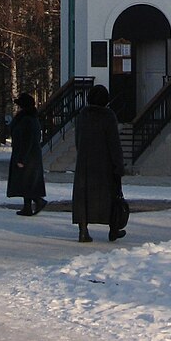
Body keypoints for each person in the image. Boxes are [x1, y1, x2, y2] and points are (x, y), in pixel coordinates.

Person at [72, 84, 126, 243]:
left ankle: (83, 230)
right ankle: (113, 229)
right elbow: (114, 143)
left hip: (84, 163)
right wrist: (118, 165)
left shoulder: (82, 115)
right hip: (104, 164)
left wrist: (82, 154)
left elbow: (77, 139)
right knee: (111, 196)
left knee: (83, 198)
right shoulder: (108, 116)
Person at [6, 92, 47, 217]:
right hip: (29, 155)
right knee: (26, 182)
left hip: (28, 156)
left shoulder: (27, 120)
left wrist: (22, 158)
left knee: (27, 181)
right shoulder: (28, 118)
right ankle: (27, 207)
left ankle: (38, 201)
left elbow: (27, 141)